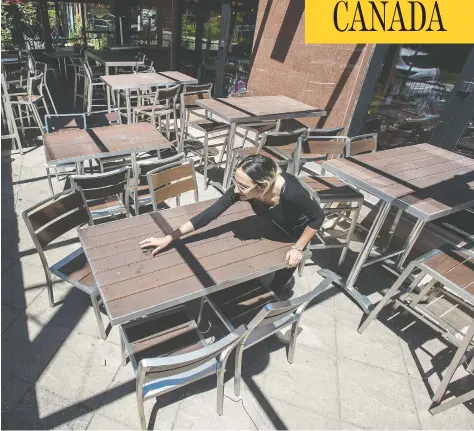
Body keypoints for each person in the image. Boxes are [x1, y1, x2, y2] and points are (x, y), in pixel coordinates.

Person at [139, 154, 325, 292]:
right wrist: (169, 238)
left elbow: (318, 217)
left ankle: (273, 301)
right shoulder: (244, 190)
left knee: (283, 271)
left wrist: (298, 247)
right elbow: (210, 214)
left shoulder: (290, 193)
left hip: (297, 231)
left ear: (263, 186)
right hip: (273, 224)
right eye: (235, 182)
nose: (236, 189)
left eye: (243, 186)